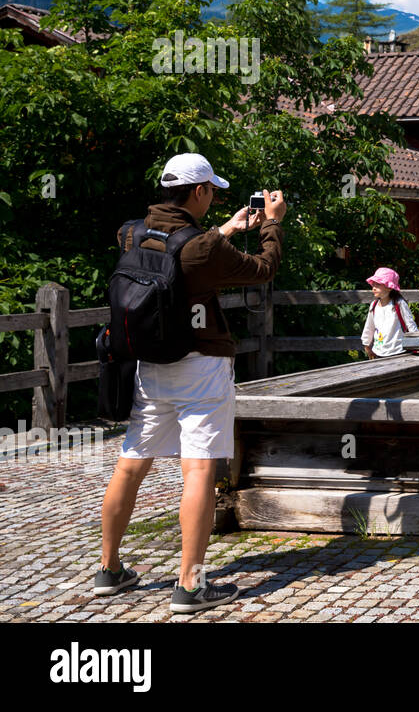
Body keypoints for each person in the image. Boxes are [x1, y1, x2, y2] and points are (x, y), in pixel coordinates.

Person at [95, 153, 287, 613]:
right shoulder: (205, 248)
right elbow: (263, 269)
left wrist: (224, 229)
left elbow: (179, 253)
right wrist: (272, 224)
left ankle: (109, 569)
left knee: (131, 463)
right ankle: (191, 584)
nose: (215, 196)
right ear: (199, 192)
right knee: (199, 468)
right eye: (212, 190)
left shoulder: (130, 232)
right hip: (200, 366)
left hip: (149, 365)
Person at [362, 267, 416, 358]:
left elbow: (411, 324)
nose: (374, 288)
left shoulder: (399, 303)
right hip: (378, 352)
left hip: (399, 352)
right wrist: (366, 345)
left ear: (389, 287)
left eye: (378, 284)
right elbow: (369, 326)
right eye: (373, 284)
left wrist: (418, 343)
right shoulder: (374, 305)